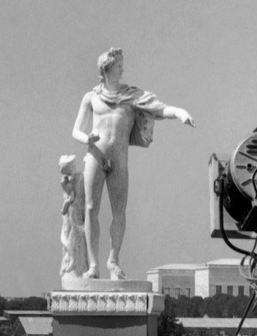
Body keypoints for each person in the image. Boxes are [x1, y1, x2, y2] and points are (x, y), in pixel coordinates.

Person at [71, 48, 194, 280]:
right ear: (107, 69)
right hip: (95, 155)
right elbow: (75, 130)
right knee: (90, 209)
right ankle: (93, 265)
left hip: (119, 158)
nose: (122, 69)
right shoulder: (91, 97)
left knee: (119, 212)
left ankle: (113, 261)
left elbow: (158, 109)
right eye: (119, 66)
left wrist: (179, 112)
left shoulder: (132, 96)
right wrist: (86, 138)